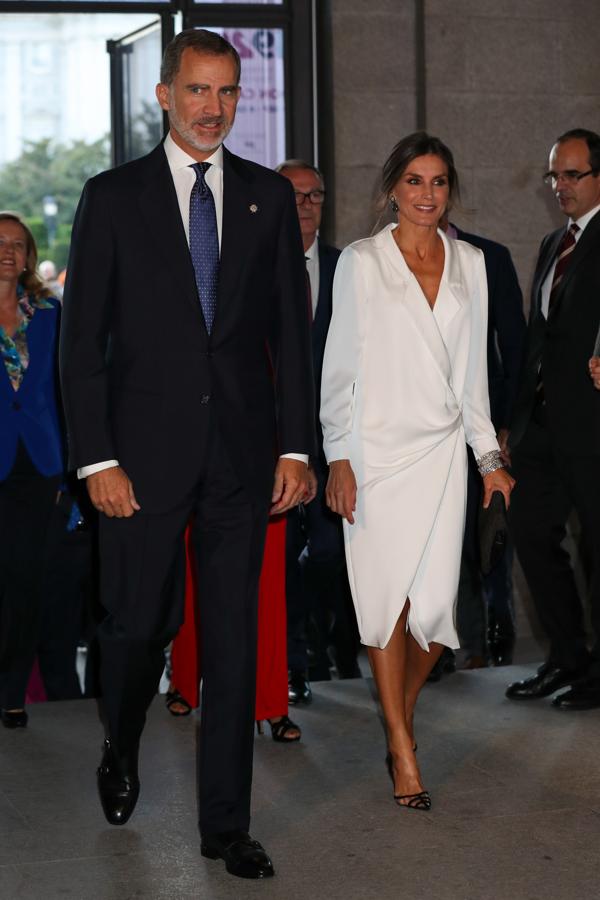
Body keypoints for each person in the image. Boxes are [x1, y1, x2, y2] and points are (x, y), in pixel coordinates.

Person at [59, 30, 314, 880]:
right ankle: (122, 738)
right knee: (136, 626)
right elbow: (82, 345)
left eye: (228, 91)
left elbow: (291, 336)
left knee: (232, 643)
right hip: (137, 463)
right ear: (165, 94)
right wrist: (97, 460)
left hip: (242, 460)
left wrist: (295, 445)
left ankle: (226, 827)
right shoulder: (112, 197)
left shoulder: (267, 199)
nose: (214, 108)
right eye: (199, 90)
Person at [320, 132, 514, 810]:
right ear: (391, 190)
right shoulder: (362, 262)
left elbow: (473, 378)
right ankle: (403, 749)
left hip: (441, 455)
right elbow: (339, 368)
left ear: (449, 190)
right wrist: (338, 456)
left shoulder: (472, 263)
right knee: (388, 601)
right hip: (374, 452)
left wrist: (490, 460)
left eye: (438, 182)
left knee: (433, 612)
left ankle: (395, 713)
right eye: (414, 181)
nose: (427, 194)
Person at [505, 128, 600, 710]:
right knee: (531, 534)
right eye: (554, 175)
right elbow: (537, 339)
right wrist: (513, 422)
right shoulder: (551, 243)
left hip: (592, 425)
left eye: (572, 174)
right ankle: (567, 656)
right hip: (540, 426)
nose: (559, 185)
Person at [275, 159, 359, 704]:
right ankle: (294, 664)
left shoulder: (348, 267)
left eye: (315, 195)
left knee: (330, 553)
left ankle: (336, 642)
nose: (306, 205)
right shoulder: (254, 264)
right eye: (294, 196)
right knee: (282, 559)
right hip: (275, 441)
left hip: (337, 442)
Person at [445, 219, 526, 668]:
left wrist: (508, 424)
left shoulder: (488, 256)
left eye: (438, 185)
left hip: (485, 421)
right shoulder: (386, 256)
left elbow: (514, 345)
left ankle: (497, 634)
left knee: (490, 528)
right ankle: (451, 644)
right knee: (445, 538)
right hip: (423, 428)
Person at [0, 212, 63, 727]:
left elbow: (65, 393)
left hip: (39, 466)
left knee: (26, 583)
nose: (7, 251)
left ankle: (12, 691)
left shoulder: (48, 313)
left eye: (17, 244)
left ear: (28, 257)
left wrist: (70, 469)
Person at [168, 515, 303, 742]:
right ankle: (184, 678)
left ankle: (271, 701)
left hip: (264, 493)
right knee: (197, 572)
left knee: (269, 581)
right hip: (197, 492)